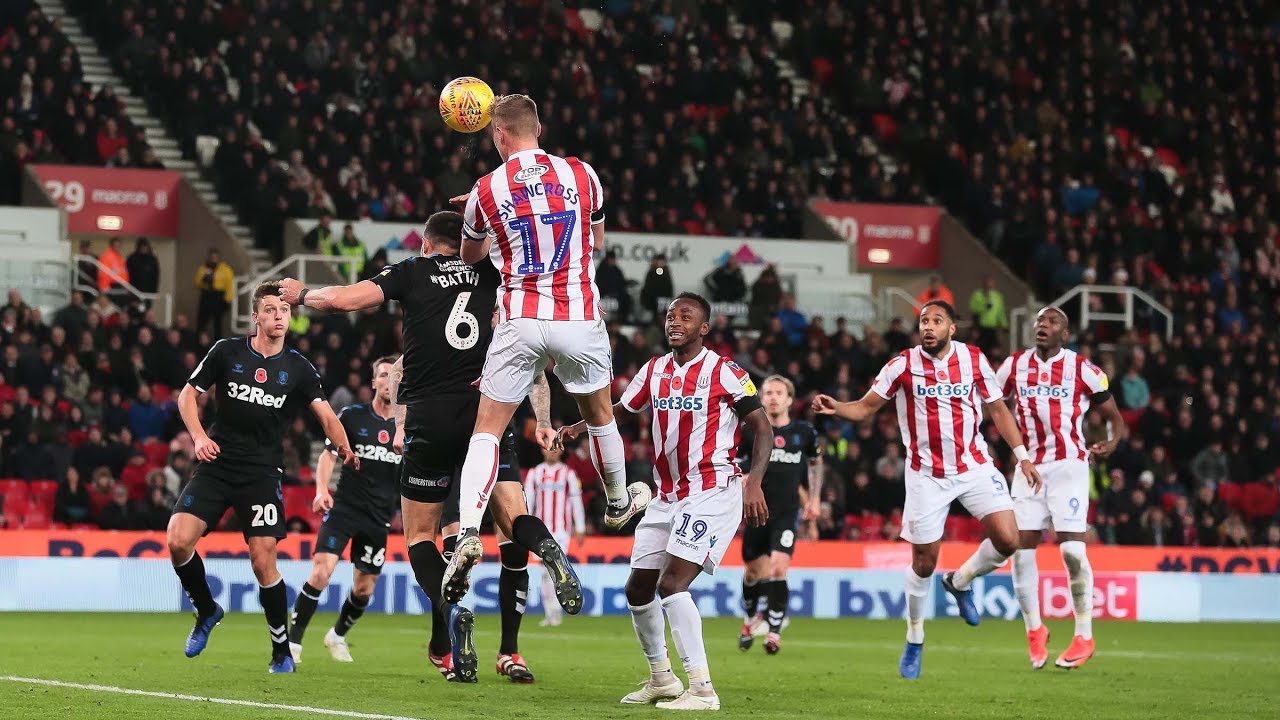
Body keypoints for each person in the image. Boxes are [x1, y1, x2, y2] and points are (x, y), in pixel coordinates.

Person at [277, 210, 575, 684]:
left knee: (420, 534)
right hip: (486, 414)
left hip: (430, 417)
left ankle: (452, 616)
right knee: (511, 518)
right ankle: (548, 548)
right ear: (469, 241)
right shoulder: (493, 272)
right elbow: (534, 263)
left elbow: (344, 300)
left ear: (424, 243)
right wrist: (489, 208)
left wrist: (302, 294)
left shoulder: (411, 272)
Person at [445, 94, 651, 603]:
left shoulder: (486, 189)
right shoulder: (583, 175)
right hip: (577, 315)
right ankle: (619, 501)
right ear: (538, 127)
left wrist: (480, 219)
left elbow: (471, 256)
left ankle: (469, 529)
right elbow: (597, 241)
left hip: (519, 318)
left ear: (497, 136)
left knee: (487, 431)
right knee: (600, 414)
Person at [560, 292, 771, 711]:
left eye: (685, 316)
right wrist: (578, 428)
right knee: (638, 588)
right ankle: (662, 679)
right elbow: (619, 410)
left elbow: (762, 429)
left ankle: (702, 689)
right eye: (671, 315)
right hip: (667, 495)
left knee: (672, 584)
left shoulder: (725, 372)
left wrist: (754, 482)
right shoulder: (654, 370)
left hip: (712, 489)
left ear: (704, 328)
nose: (674, 321)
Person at [812, 300, 1042, 680]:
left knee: (1008, 538)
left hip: (974, 466)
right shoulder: (902, 364)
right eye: (924, 321)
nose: (928, 326)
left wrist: (1021, 455)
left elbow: (998, 409)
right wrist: (837, 407)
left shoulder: (972, 359)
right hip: (926, 475)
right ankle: (915, 638)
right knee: (923, 563)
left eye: (937, 321)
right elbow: (867, 407)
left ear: (952, 328)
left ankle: (960, 581)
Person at [168, 281, 358, 674]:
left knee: (262, 561)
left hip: (261, 473)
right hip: (218, 463)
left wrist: (345, 448)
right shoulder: (227, 351)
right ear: (255, 316)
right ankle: (206, 610)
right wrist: (199, 436)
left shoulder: (298, 368)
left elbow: (325, 415)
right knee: (177, 540)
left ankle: (281, 650)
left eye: (284, 311)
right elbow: (187, 395)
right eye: (270, 310)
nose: (278, 316)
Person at [994, 307, 1127, 670]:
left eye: (1051, 322)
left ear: (1064, 334)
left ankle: (1084, 634)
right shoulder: (1013, 366)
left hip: (1069, 465)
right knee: (1020, 552)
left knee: (1071, 551)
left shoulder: (1083, 369)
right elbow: (991, 404)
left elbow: (1116, 419)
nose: (1043, 326)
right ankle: (1034, 630)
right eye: (1040, 321)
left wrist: (1113, 441)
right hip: (1029, 466)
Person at [288, 356, 401, 664]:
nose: (388, 381)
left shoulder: (407, 428)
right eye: (383, 375)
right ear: (374, 382)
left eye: (394, 376)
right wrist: (322, 489)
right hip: (345, 510)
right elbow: (328, 456)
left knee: (364, 589)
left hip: (378, 517)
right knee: (322, 571)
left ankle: (336, 636)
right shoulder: (352, 417)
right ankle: (293, 644)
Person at [737, 375, 821, 655]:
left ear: (788, 399)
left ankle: (773, 631)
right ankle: (750, 619)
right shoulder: (751, 432)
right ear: (760, 398)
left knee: (778, 568)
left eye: (778, 393)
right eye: (768, 392)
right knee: (753, 573)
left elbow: (814, 464)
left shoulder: (804, 433)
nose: (773, 397)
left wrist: (814, 500)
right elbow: (738, 469)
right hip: (755, 514)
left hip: (786, 514)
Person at [523, 443, 586, 628]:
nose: (552, 452)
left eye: (555, 448)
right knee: (545, 573)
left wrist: (580, 527)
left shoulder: (568, 474)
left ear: (561, 450)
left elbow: (576, 502)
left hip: (561, 531)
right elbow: (528, 502)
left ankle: (556, 611)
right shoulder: (535, 473)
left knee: (557, 571)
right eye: (548, 448)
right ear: (542, 450)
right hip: (541, 531)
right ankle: (550, 612)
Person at [195, 249, 234, 336]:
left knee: (218, 323)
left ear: (218, 258)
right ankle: (200, 342)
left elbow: (229, 285)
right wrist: (204, 280)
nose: (213, 259)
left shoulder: (225, 269)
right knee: (201, 321)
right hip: (206, 294)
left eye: (215, 257)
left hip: (218, 296)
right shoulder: (203, 268)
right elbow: (197, 283)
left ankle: (218, 343)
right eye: (211, 257)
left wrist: (228, 300)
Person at [968, 275, 1007, 351]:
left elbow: (1000, 312)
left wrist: (1004, 325)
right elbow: (973, 308)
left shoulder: (997, 296)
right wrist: (984, 306)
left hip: (993, 328)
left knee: (994, 351)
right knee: (980, 350)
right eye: (987, 285)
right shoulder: (977, 295)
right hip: (980, 327)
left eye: (991, 285)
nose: (989, 287)